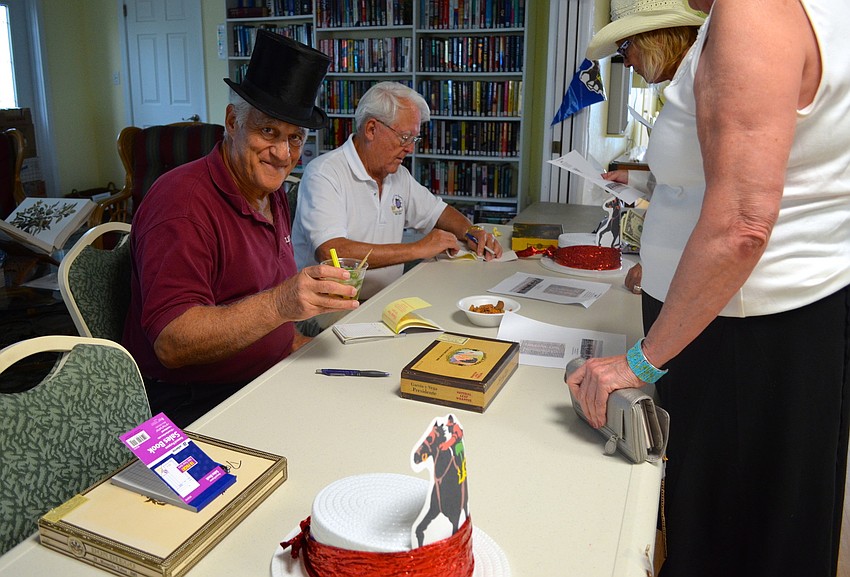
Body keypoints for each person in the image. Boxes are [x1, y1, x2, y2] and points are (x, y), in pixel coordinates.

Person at [568, 0, 850, 575]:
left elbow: (742, 226)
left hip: (743, 338)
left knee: (726, 538)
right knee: (775, 527)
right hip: (772, 322)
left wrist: (640, 364)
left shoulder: (754, 12)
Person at [122, 31, 360, 427]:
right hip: (194, 403)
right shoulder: (182, 205)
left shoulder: (268, 189)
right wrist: (282, 304)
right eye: (268, 132)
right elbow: (172, 342)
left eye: (295, 138)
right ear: (232, 122)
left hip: (263, 376)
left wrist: (299, 345)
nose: (284, 155)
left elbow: (256, 308)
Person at [291, 81, 502, 300]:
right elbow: (332, 251)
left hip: (384, 298)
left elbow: (439, 212)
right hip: (327, 305)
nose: (410, 148)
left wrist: (473, 231)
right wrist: (418, 249)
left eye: (414, 139)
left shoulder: (397, 174)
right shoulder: (325, 173)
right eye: (404, 137)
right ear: (371, 129)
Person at [585, 0, 705, 295]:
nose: (625, 62)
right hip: (668, 277)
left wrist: (659, 266)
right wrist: (637, 180)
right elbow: (692, 180)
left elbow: (719, 202)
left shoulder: (704, 85)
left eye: (625, 48)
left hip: (684, 282)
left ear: (656, 37)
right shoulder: (681, 85)